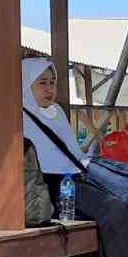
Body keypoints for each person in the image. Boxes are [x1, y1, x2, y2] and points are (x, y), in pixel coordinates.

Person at [20, 57, 87, 205]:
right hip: (37, 188)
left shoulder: (56, 111)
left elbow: (73, 151)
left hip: (69, 179)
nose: (49, 89)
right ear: (25, 83)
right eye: (42, 83)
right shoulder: (14, 116)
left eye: (52, 82)